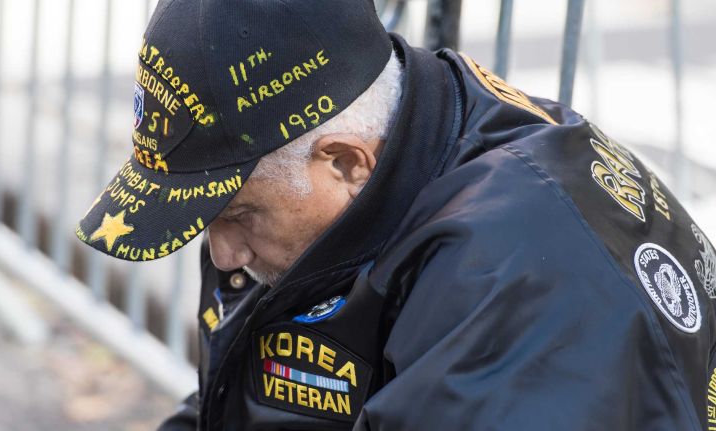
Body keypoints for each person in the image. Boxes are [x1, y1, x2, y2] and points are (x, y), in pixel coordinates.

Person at [76, 0, 716, 429]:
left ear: (347, 162)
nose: (222, 254)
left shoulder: (520, 286)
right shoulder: (340, 155)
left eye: (236, 216)